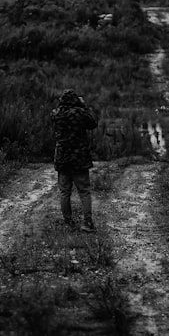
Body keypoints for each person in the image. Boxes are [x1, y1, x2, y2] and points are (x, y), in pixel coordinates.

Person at [50, 89, 98, 232]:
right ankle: (87, 223)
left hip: (62, 158)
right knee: (84, 192)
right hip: (79, 159)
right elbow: (93, 123)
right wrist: (83, 106)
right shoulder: (80, 113)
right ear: (76, 100)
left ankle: (68, 222)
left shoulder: (55, 114)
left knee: (65, 192)